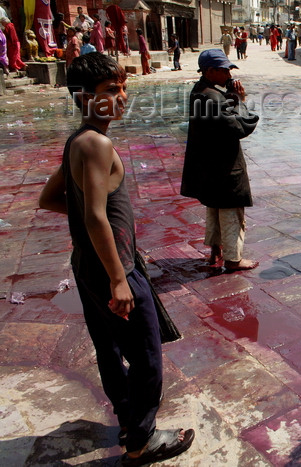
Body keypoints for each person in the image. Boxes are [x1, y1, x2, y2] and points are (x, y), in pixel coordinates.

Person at [38, 52, 195, 466]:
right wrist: (119, 278)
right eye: (111, 91)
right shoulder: (96, 143)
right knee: (146, 357)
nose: (122, 97)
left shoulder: (79, 140)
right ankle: (142, 441)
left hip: (88, 264)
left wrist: (92, 230)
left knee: (108, 348)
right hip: (112, 268)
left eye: (124, 87)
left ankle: (128, 420)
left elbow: (51, 198)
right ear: (84, 97)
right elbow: (93, 215)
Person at [181, 49, 260, 271]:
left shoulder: (200, 92)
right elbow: (239, 126)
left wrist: (231, 98)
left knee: (214, 206)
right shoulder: (212, 98)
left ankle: (215, 250)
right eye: (224, 70)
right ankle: (233, 258)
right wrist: (240, 102)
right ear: (210, 71)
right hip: (225, 167)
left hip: (209, 166)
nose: (228, 75)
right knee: (231, 211)